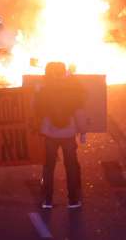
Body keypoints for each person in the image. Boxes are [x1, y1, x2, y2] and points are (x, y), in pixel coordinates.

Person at [37, 62, 86, 209]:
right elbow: (79, 111)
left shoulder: (44, 90)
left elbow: (37, 111)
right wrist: (83, 131)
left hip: (49, 134)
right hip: (68, 134)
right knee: (71, 166)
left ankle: (47, 201)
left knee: (48, 166)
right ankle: (73, 200)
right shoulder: (71, 90)